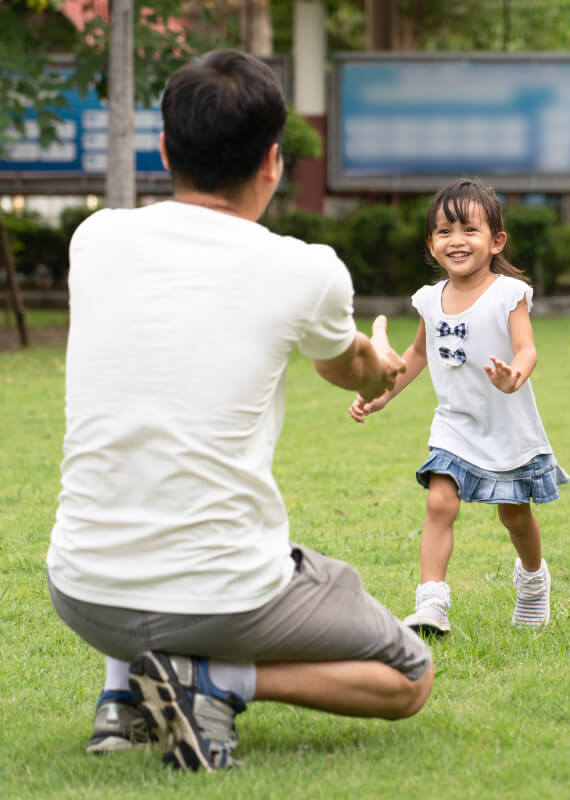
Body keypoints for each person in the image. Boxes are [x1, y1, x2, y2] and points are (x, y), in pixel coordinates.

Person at [46, 49, 433, 773]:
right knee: (408, 675)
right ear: (274, 161)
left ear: (164, 147)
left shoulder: (94, 240)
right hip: (224, 597)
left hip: (83, 590)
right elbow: (344, 366)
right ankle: (216, 680)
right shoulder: (306, 269)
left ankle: (121, 695)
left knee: (146, 460)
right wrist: (379, 368)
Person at [349, 178, 570, 636]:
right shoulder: (430, 300)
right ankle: (432, 603)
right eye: (445, 231)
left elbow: (527, 349)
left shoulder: (508, 293)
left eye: (470, 229)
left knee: (514, 515)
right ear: (431, 245)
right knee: (439, 501)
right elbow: (416, 356)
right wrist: (382, 393)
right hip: (454, 424)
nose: (457, 240)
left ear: (496, 241)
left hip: (507, 425)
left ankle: (532, 580)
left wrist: (514, 375)